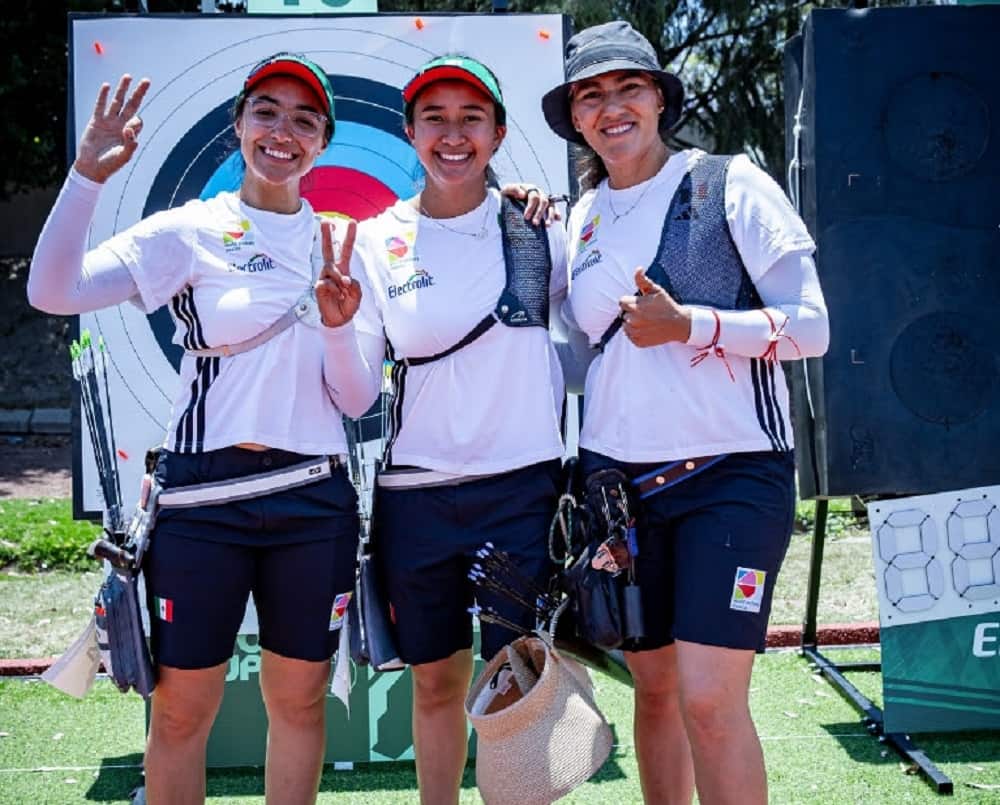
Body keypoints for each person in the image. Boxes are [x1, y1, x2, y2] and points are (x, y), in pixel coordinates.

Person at [28, 53, 383, 805]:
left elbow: (353, 402)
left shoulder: (344, 245)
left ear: (323, 142)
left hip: (311, 501)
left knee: (298, 703)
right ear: (238, 125)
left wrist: (338, 326)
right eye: (267, 111)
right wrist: (87, 174)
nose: (282, 132)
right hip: (201, 504)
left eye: (304, 119)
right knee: (184, 713)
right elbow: (52, 290)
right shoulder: (193, 229)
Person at [541, 21, 830, 805]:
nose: (611, 108)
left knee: (709, 698)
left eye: (628, 87)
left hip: (728, 478)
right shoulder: (582, 217)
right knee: (656, 691)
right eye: (590, 96)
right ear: (574, 117)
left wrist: (692, 323)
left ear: (660, 98)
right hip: (619, 492)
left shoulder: (731, 183)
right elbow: (581, 361)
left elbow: (811, 326)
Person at [324, 54, 568, 804]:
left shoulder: (540, 228)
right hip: (416, 497)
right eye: (435, 118)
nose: (453, 135)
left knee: (516, 685)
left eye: (472, 119)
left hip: (523, 490)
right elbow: (357, 389)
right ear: (409, 132)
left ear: (497, 133)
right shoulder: (373, 238)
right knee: (434, 683)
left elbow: (591, 340)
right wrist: (337, 327)